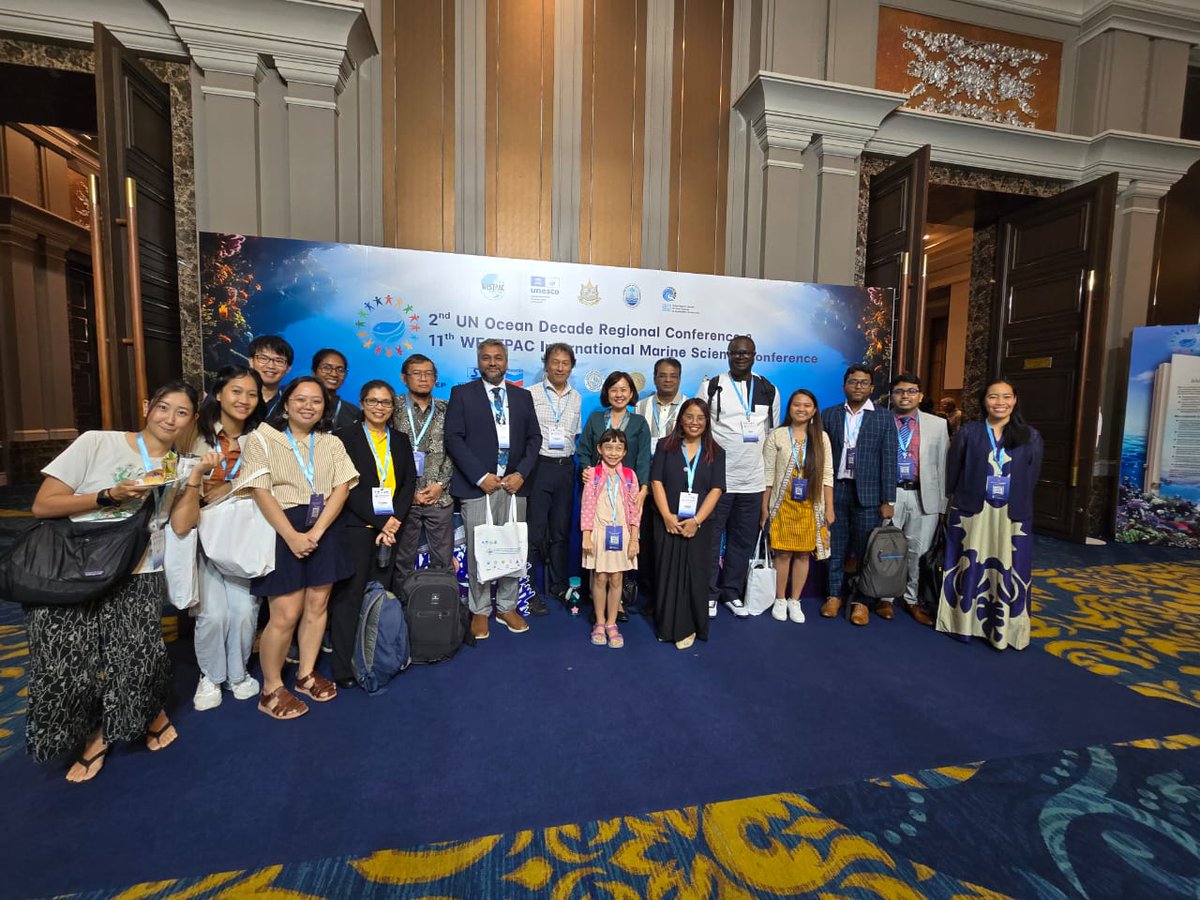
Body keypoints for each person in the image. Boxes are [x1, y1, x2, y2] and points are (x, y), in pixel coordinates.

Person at [27, 381, 203, 782]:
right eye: (163, 407)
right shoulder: (97, 443)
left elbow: (179, 525)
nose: (169, 418)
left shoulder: (179, 465)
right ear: (147, 406)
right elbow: (43, 504)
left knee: (137, 656)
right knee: (65, 658)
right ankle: (90, 729)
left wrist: (193, 481)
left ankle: (119, 729)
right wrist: (109, 494)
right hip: (72, 565)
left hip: (139, 568)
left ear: (192, 420)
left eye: (181, 412)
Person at [234, 376, 359, 718]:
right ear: (286, 403)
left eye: (316, 401)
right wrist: (291, 535)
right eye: (301, 399)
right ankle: (271, 686)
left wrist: (317, 531)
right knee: (285, 614)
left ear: (324, 408)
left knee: (318, 606)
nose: (308, 406)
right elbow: (260, 489)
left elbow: (342, 488)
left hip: (324, 528)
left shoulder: (331, 443)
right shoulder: (262, 438)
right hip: (281, 527)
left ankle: (305, 673)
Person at [445, 339, 543, 640]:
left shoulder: (522, 396)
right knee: (479, 550)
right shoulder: (462, 394)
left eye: (498, 358)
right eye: (486, 358)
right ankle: (480, 609)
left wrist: (521, 474)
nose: (492, 363)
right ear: (478, 361)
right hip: (479, 486)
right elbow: (454, 438)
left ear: (506, 360)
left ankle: (507, 606)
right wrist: (479, 476)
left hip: (514, 485)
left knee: (512, 545)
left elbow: (534, 439)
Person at [937, 379, 1043, 651]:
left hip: (1011, 514)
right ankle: (963, 625)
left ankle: (1005, 629)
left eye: (1006, 397)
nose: (1000, 402)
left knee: (1011, 568)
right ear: (984, 401)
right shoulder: (969, 433)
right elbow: (954, 471)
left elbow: (1031, 478)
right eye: (994, 397)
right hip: (973, 510)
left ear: (1015, 400)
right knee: (968, 564)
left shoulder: (1030, 436)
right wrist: (949, 507)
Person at [329, 380, 417, 688]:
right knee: (349, 597)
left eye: (385, 402)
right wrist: (381, 523)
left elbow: (408, 484)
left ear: (393, 407)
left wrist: (394, 521)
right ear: (362, 403)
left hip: (391, 529)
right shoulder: (343, 438)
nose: (379, 407)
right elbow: (344, 486)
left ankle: (375, 656)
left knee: (381, 594)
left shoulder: (401, 440)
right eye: (373, 401)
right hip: (356, 527)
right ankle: (342, 666)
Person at [189, 365, 267, 711]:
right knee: (212, 613)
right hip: (202, 534)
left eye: (252, 394)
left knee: (245, 609)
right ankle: (210, 676)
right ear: (218, 393)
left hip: (245, 534)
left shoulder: (263, 438)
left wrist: (226, 485)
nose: (244, 400)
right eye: (236, 391)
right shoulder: (194, 435)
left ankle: (238, 674)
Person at [698, 335, 780, 618]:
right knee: (710, 539)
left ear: (755, 355)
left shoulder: (769, 389)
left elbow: (771, 436)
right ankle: (709, 593)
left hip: (753, 481)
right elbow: (699, 429)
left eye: (745, 353)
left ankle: (732, 592)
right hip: (718, 482)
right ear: (728, 355)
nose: (740, 357)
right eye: (735, 353)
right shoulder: (712, 386)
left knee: (742, 541)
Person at [821, 364, 898, 626]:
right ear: (844, 385)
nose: (858, 386)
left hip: (869, 495)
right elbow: (821, 458)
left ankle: (861, 602)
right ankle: (833, 595)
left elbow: (889, 460)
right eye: (853, 382)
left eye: (863, 383)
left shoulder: (883, 417)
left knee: (866, 551)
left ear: (872, 388)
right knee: (836, 547)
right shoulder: (829, 415)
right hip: (836, 490)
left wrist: (888, 500)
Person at [650, 399, 725, 649]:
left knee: (694, 575)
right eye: (689, 416)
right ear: (681, 418)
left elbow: (716, 489)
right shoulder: (665, 446)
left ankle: (687, 628)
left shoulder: (716, 451)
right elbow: (656, 482)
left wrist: (696, 521)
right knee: (666, 574)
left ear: (707, 422)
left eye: (700, 418)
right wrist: (667, 516)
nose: (694, 422)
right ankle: (666, 626)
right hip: (667, 522)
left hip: (699, 526)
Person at [579, 371, 650, 619]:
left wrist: (643, 489)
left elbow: (643, 458)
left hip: (626, 492)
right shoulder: (597, 419)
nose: (619, 394)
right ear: (606, 393)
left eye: (624, 389)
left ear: (631, 393)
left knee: (621, 548)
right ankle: (597, 599)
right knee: (597, 548)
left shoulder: (639, 423)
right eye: (614, 389)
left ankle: (616, 603)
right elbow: (584, 450)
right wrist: (586, 470)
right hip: (598, 490)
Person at [761, 389, 834, 624]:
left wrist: (829, 508)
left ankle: (795, 600)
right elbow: (768, 476)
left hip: (810, 507)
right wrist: (764, 510)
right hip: (782, 505)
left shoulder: (821, 437)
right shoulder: (777, 436)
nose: (801, 409)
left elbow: (827, 476)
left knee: (803, 555)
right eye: (796, 405)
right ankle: (780, 599)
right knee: (782, 554)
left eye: (807, 405)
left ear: (814, 410)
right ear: (789, 408)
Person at [884, 374, 949, 626]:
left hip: (924, 496)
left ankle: (912, 599)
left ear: (920, 395)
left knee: (918, 551)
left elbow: (943, 465)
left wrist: (943, 505)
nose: (905, 396)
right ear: (892, 395)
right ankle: (885, 598)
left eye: (911, 391)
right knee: (887, 550)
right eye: (899, 391)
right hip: (891, 494)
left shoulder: (937, 424)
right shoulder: (881, 421)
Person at [527, 342, 583, 614]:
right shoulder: (531, 394)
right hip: (539, 468)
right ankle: (529, 589)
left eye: (565, 363)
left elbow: (575, 434)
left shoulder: (577, 397)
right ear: (546, 364)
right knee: (535, 532)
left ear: (571, 366)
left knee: (561, 531)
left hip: (565, 469)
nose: (560, 367)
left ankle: (560, 585)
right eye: (555, 362)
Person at [392, 353, 455, 574]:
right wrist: (409, 493)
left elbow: (455, 449)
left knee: (444, 562)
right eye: (416, 373)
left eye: (428, 374)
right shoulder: (392, 408)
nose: (423, 378)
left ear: (436, 378)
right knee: (401, 561)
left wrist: (441, 484)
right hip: (403, 498)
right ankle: (400, 606)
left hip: (439, 497)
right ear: (404, 378)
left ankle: (443, 607)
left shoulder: (448, 409)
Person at [580, 429, 641, 648]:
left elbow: (635, 510)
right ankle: (599, 621)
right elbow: (587, 506)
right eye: (608, 447)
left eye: (618, 448)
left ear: (624, 451)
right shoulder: (594, 474)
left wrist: (634, 538)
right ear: (599, 449)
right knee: (599, 578)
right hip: (599, 532)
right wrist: (586, 536)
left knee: (617, 579)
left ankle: (612, 623)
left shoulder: (629, 475)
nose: (613, 453)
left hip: (621, 534)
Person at [634, 357, 687, 603]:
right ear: (654, 378)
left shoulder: (689, 407)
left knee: (668, 538)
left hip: (674, 484)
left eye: (673, 376)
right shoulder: (641, 406)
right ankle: (645, 591)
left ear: (679, 378)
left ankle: (667, 592)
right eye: (662, 375)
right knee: (645, 536)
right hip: (644, 481)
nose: (667, 380)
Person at [312, 348, 363, 431]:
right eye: (326, 368)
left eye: (340, 370)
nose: (334, 374)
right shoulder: (300, 403)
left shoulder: (353, 412)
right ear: (314, 372)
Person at [247, 334, 293, 419]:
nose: (270, 366)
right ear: (251, 361)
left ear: (288, 368)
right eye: (263, 358)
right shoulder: (235, 396)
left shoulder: (291, 403)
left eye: (279, 361)